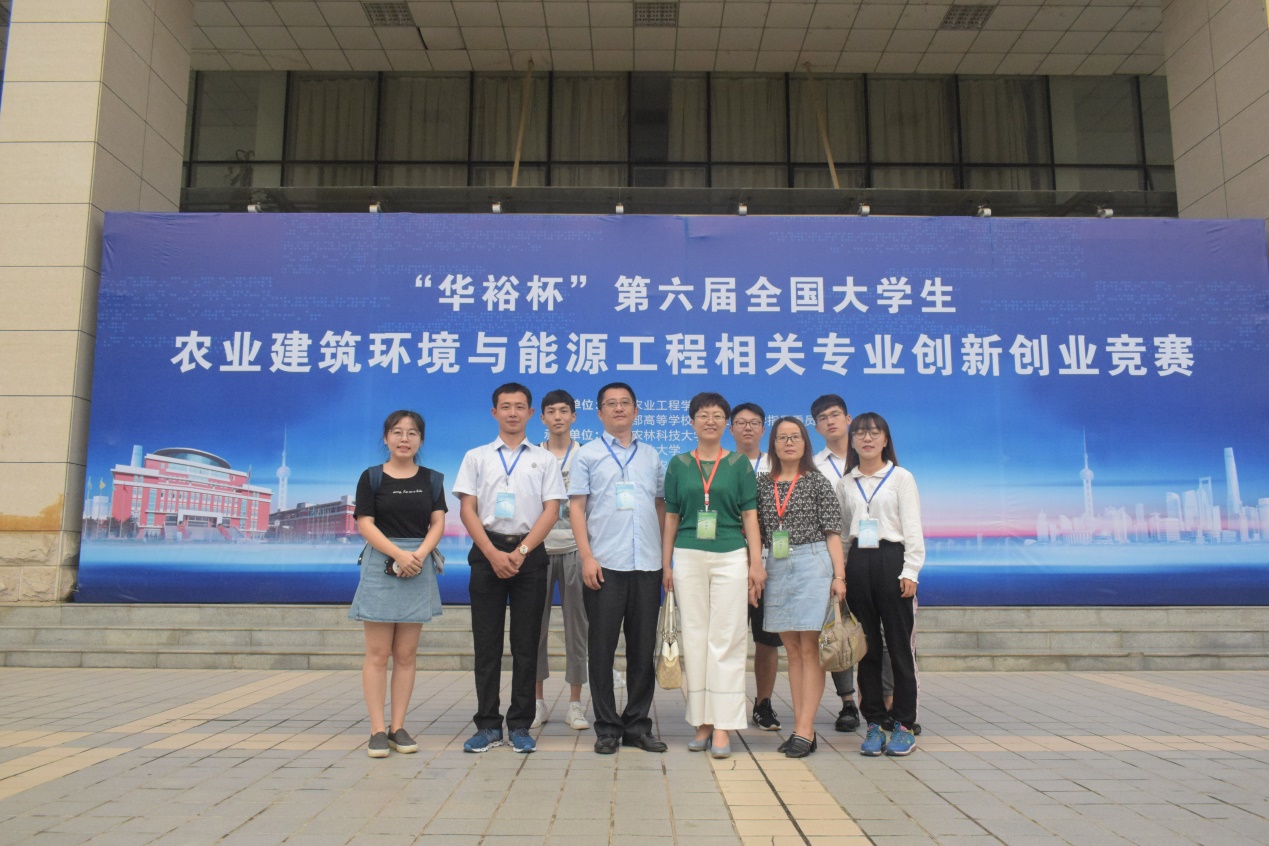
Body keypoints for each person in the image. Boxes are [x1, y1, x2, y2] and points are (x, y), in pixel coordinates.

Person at [454, 383, 567, 754]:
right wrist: (491, 552)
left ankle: (520, 724)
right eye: (506, 406)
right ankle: (487, 725)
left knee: (526, 645)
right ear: (494, 413)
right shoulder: (476, 457)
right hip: (486, 553)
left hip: (529, 555)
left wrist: (520, 552)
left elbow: (552, 510)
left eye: (520, 406)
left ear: (531, 413)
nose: (513, 413)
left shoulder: (544, 459)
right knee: (486, 644)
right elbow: (467, 509)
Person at [663, 392, 764, 759]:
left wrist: (755, 563)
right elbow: (671, 517)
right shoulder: (678, 464)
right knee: (695, 637)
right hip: (688, 555)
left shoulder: (739, 465)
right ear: (692, 422)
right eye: (703, 415)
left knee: (728, 638)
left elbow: (750, 516)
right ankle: (702, 721)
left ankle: (723, 724)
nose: (710, 420)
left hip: (731, 555)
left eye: (718, 415)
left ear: (726, 423)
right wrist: (666, 564)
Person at [569, 382, 668, 754]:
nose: (619, 408)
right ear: (599, 413)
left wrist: (665, 558)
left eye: (625, 403)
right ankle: (607, 727)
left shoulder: (652, 455)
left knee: (643, 649)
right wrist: (586, 557)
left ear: (636, 411)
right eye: (611, 404)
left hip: (647, 564)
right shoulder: (587, 455)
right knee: (602, 648)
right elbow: (576, 507)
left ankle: (638, 726)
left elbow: (660, 505)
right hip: (604, 565)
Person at [349, 410, 447, 758]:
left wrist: (416, 555)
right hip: (381, 563)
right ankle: (377, 729)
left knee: (406, 655)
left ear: (421, 439)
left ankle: (398, 727)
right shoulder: (372, 477)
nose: (404, 439)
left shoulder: (432, 479)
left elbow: (438, 523)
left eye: (412, 433)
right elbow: (365, 523)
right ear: (386, 438)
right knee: (377, 654)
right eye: (397, 432)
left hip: (418, 564)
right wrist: (397, 554)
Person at [755, 416, 846, 758]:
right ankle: (800, 726)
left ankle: (805, 730)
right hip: (776, 566)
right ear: (774, 445)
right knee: (791, 650)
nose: (789, 442)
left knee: (809, 649)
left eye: (795, 436)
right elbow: (755, 529)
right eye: (782, 437)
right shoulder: (762, 484)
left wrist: (839, 576)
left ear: (805, 443)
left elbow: (833, 533)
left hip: (812, 563)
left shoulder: (818, 482)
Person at [835, 412, 924, 757]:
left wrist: (910, 571)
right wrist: (841, 575)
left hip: (893, 561)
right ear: (853, 441)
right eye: (860, 433)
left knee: (899, 648)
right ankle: (873, 722)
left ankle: (903, 724)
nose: (867, 439)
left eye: (874, 433)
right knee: (867, 649)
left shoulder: (901, 477)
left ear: (886, 440)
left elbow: (912, 527)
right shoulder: (846, 483)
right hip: (859, 563)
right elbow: (844, 534)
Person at [533, 390, 590, 732]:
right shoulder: (531, 456)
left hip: (575, 550)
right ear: (542, 418)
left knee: (577, 629)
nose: (558, 417)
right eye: (551, 411)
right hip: (537, 551)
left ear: (573, 416)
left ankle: (575, 704)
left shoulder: (586, 455)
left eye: (564, 411)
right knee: (533, 630)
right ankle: (537, 702)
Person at [729, 402, 782, 733]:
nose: (747, 428)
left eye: (754, 423)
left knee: (767, 639)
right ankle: (729, 703)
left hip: (769, 565)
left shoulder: (777, 466)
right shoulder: (722, 464)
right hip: (730, 563)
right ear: (731, 429)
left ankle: (763, 704)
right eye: (740, 422)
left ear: (764, 429)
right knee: (730, 638)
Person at [810, 394, 861, 733]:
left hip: (870, 553)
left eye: (835, 414)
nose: (830, 421)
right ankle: (848, 703)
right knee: (837, 628)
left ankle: (885, 701)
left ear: (848, 418)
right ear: (816, 427)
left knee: (877, 629)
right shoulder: (813, 466)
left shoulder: (870, 458)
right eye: (823, 418)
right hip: (831, 556)